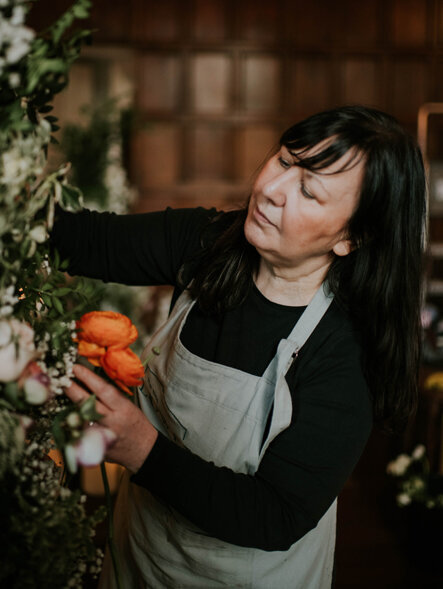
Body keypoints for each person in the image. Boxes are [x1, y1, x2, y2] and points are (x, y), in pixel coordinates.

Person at [53, 105, 426, 588]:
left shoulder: (346, 349)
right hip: (137, 556)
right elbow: (79, 241)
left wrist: (141, 447)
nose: (270, 191)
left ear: (351, 238)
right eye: (286, 161)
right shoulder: (207, 244)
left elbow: (276, 515)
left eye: (309, 191)